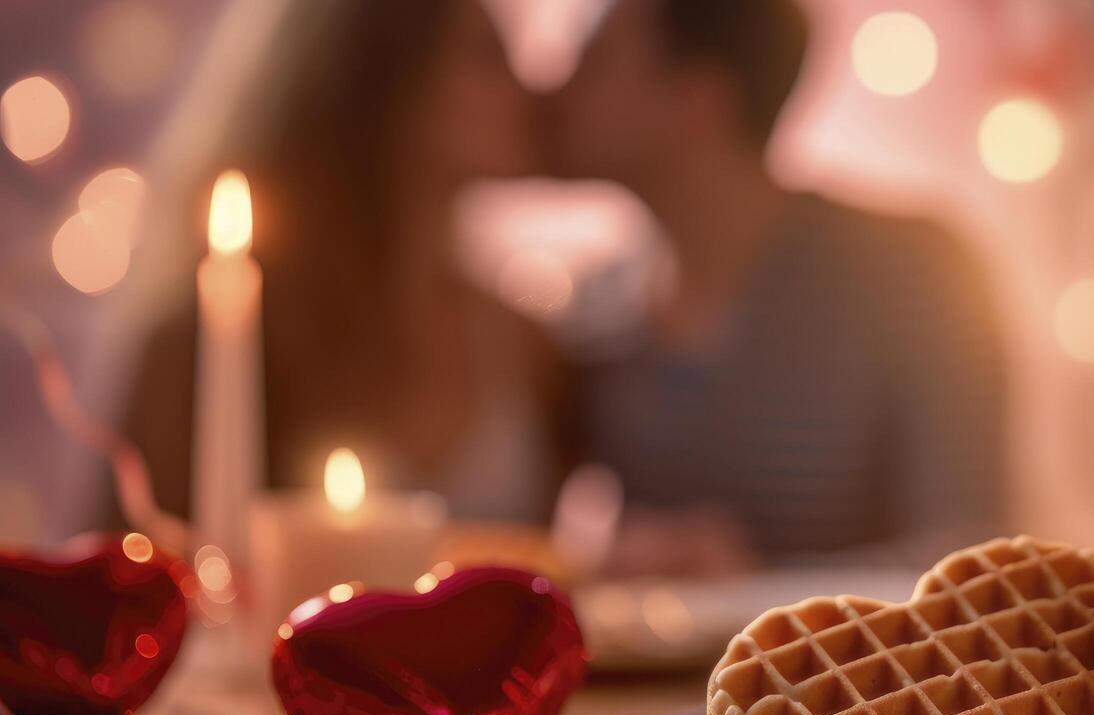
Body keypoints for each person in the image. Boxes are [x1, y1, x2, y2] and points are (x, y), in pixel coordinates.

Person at [544, 0, 1009, 576]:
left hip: (863, 666)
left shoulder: (914, 271)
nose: (554, 88)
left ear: (700, 98)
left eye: (595, 59)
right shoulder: (589, 306)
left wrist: (758, 588)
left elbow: (970, 556)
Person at [119, 0, 572, 524]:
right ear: (386, 77)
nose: (527, 91)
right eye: (486, 56)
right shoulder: (224, 333)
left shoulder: (526, 346)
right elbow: (143, 564)